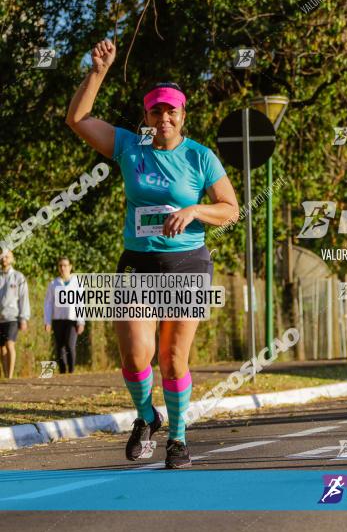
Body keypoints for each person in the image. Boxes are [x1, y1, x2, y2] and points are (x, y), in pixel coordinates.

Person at [66, 39, 239, 468]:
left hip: (187, 264)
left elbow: (231, 210)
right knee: (133, 355)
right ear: (146, 116)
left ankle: (178, 438)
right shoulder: (129, 147)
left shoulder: (200, 157)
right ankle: (147, 416)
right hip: (137, 263)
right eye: (156, 110)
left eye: (171, 111)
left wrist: (195, 209)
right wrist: (98, 71)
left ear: (183, 116)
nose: (164, 117)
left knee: (173, 358)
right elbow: (78, 118)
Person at [43, 257, 85, 374]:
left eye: (65, 265)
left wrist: (81, 321)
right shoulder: (53, 284)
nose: (63, 268)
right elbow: (48, 303)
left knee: (70, 345)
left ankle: (71, 371)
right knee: (59, 346)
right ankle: (62, 371)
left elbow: (80, 303)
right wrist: (47, 321)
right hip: (57, 319)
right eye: (60, 266)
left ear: (70, 267)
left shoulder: (77, 283)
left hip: (72, 319)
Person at [0, 249, 30, 379]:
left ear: (12, 259)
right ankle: (6, 375)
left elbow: (24, 298)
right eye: (2, 256)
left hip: (12, 316)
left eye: (7, 257)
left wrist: (23, 318)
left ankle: (10, 376)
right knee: (1, 348)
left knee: (10, 343)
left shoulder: (18, 277)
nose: (4, 259)